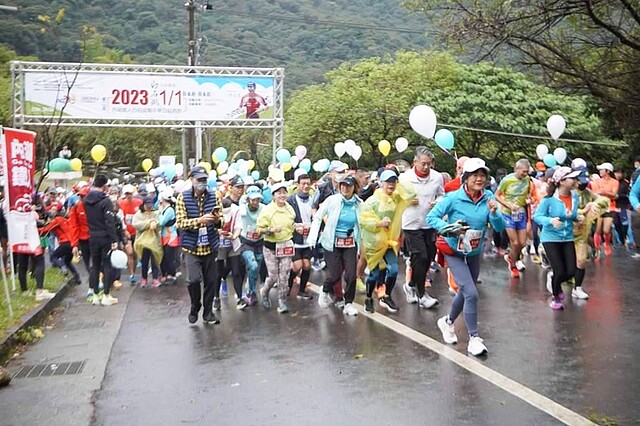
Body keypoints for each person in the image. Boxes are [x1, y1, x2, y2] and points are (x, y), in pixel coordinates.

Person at [428, 158, 505, 356]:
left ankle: (447, 322)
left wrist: (495, 213)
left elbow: (499, 227)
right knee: (471, 292)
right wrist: (448, 228)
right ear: (465, 178)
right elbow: (431, 217)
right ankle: (474, 338)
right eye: (475, 175)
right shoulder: (453, 198)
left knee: (465, 291)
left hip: (474, 251)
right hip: (453, 250)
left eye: (482, 176)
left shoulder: (488, 196)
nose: (479, 179)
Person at [359, 169, 416, 313]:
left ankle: (387, 296)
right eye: (388, 181)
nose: (391, 184)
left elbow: (411, 194)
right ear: (381, 183)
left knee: (394, 270)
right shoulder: (373, 200)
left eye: (393, 181)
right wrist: (379, 224)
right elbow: (363, 220)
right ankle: (368, 298)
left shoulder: (396, 198)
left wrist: (400, 180)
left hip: (389, 242)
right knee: (374, 275)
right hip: (374, 243)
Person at [176, 166, 223, 324]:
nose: (202, 183)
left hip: (210, 245)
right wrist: (199, 221)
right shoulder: (183, 198)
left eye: (204, 180)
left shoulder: (214, 196)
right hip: (192, 247)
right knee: (194, 280)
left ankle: (208, 313)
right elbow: (181, 223)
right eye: (199, 180)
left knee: (211, 281)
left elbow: (221, 221)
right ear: (191, 180)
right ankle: (195, 305)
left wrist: (216, 220)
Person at [310, 175, 362, 316]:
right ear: (339, 187)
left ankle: (349, 303)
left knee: (351, 275)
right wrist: (312, 237)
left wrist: (364, 243)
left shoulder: (359, 203)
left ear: (354, 188)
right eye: (343, 185)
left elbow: (364, 223)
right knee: (335, 274)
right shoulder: (332, 200)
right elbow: (318, 216)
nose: (345, 188)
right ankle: (325, 290)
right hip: (331, 242)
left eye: (348, 185)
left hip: (350, 242)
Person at [400, 147, 443, 309]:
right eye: (423, 164)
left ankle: (410, 284)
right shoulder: (405, 178)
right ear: (415, 162)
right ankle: (421, 294)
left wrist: (437, 203)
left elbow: (442, 195)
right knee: (421, 256)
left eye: (429, 164)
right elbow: (396, 197)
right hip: (411, 223)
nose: (426, 167)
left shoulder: (437, 177)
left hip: (429, 222)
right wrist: (406, 201)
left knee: (428, 258)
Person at [533, 167, 581, 310]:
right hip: (550, 238)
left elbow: (570, 215)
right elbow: (537, 216)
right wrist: (550, 221)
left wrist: (576, 217)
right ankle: (555, 297)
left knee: (572, 271)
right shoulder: (549, 199)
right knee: (560, 270)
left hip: (567, 237)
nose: (574, 181)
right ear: (562, 181)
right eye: (571, 178)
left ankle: (554, 280)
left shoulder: (574, 196)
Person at [256, 181, 297, 314]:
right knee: (273, 276)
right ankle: (265, 292)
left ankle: (282, 302)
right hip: (270, 247)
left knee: (284, 275)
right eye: (279, 193)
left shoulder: (289, 208)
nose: (282, 195)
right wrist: (270, 230)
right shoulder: (267, 210)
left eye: (284, 192)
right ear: (273, 195)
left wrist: (299, 227)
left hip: (286, 244)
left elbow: (291, 225)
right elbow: (259, 230)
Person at [571, 165, 609, 299]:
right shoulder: (570, 193)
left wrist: (596, 204)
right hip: (565, 233)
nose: (583, 183)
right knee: (567, 264)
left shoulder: (588, 193)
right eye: (581, 180)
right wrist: (583, 211)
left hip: (582, 234)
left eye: (585, 180)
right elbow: (565, 211)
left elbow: (604, 201)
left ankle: (578, 288)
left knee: (581, 261)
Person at [495, 159, 536, 278]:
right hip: (507, 213)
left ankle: (510, 257)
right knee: (515, 242)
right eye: (523, 172)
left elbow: (529, 194)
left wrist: (529, 199)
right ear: (516, 169)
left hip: (521, 214)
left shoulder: (527, 180)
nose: (525, 174)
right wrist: (509, 205)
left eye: (527, 172)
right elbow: (496, 196)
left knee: (522, 243)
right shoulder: (507, 180)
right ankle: (513, 265)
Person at [84, 175, 119, 306]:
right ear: (104, 186)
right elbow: (109, 222)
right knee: (107, 264)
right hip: (105, 237)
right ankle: (106, 295)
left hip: (92, 235)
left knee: (95, 265)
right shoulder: (106, 201)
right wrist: (114, 239)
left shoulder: (86, 200)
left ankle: (95, 295)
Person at [286, 173, 314, 300]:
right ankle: (287, 286)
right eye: (303, 184)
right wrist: (296, 227)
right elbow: (285, 219)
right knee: (297, 266)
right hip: (295, 239)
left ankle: (302, 291)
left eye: (308, 184)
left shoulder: (314, 200)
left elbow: (317, 217)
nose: (306, 186)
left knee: (307, 265)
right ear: (298, 185)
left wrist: (313, 228)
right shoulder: (290, 201)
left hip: (309, 239)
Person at [237, 185, 265, 305]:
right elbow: (242, 208)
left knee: (256, 268)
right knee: (252, 265)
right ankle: (251, 291)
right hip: (246, 241)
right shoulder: (243, 208)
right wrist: (245, 198)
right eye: (253, 199)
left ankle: (252, 290)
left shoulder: (263, 208)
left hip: (259, 241)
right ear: (248, 199)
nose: (255, 202)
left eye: (258, 199)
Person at [132, 196, 163, 288]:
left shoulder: (156, 213)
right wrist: (149, 223)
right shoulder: (138, 214)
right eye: (147, 204)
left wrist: (155, 223)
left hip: (154, 241)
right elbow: (136, 225)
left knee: (155, 261)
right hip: (143, 242)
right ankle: (144, 279)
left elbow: (159, 224)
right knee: (144, 261)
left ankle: (155, 279)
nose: (149, 206)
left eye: (150, 204)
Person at [591, 162, 619, 256]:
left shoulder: (615, 182)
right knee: (598, 229)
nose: (600, 171)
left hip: (610, 207)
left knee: (607, 230)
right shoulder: (596, 182)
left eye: (602, 170)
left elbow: (614, 194)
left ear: (608, 171)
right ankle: (597, 248)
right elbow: (595, 193)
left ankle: (607, 243)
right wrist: (606, 193)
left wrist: (604, 192)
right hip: (599, 207)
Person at [118, 184, 142, 284]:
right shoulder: (121, 204)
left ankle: (133, 272)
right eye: (127, 194)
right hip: (126, 232)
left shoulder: (139, 203)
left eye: (130, 193)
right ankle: (131, 274)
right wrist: (124, 231)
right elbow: (120, 218)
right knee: (130, 253)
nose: (129, 196)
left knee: (135, 255)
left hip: (136, 232)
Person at [157, 188, 179, 284]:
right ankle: (167, 274)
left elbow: (161, 222)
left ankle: (172, 275)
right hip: (165, 236)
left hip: (171, 237)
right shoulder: (166, 209)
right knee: (165, 257)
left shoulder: (169, 210)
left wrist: (159, 213)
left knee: (170, 258)